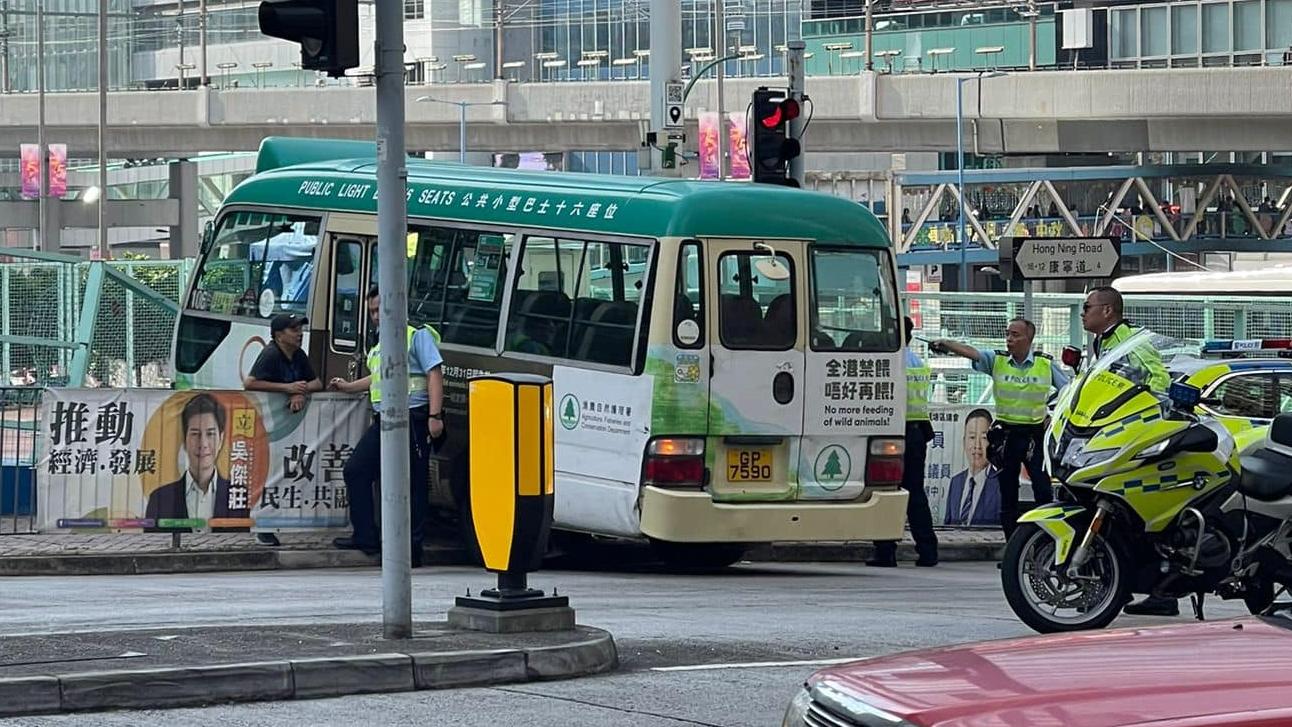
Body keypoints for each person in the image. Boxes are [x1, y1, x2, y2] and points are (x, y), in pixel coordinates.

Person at [329, 286, 444, 568]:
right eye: (372, 312)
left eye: (380, 309)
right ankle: (366, 537)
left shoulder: (416, 336)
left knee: (414, 484)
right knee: (356, 470)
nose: (376, 316)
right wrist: (347, 387)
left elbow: (434, 372)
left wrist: (435, 415)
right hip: (385, 420)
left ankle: (412, 551)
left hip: (414, 419)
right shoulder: (381, 345)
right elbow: (376, 379)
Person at [1082, 286, 1177, 617]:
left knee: (1139, 509)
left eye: (1087, 307)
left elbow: (1157, 376)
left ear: (1107, 311)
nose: (1083, 313)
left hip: (1141, 434)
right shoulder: (1102, 342)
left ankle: (1164, 589)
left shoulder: (1128, 337)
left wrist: (1157, 405)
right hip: (1115, 433)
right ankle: (1116, 585)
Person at [933, 318, 1068, 540]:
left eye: (1015, 335)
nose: (1009, 339)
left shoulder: (1045, 364)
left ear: (1029, 339)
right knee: (1008, 494)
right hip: (1006, 436)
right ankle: (1012, 546)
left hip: (1035, 436)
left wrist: (1053, 417)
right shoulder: (997, 360)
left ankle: (1046, 542)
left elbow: (1067, 391)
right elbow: (972, 353)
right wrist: (947, 343)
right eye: (1008, 334)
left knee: (1043, 491)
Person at [242, 312, 323, 545]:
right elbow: (250, 383)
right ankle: (264, 526)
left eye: (300, 328)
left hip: (290, 427)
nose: (299, 334)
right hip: (268, 426)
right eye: (293, 329)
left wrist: (300, 391)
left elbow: (317, 382)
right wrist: (287, 388)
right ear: (278, 335)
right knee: (268, 473)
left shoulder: (299, 355)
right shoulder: (270, 354)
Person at [868, 317, 938, 568]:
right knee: (915, 492)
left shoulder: (891, 362)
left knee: (887, 491)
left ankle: (885, 552)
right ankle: (928, 550)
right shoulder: (916, 361)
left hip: (893, 433)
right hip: (917, 431)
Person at [145, 393, 248, 532]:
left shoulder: (238, 494)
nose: (203, 444)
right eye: (195, 434)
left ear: (221, 439)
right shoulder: (160, 498)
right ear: (184, 439)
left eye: (210, 434)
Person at [944, 408, 1002, 527]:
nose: (977, 445)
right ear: (964, 442)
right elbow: (947, 525)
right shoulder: (955, 482)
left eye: (984, 438)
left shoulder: (1001, 484)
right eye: (972, 437)